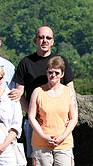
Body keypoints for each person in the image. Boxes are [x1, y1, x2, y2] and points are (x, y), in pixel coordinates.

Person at [12, 26, 75, 162]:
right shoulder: (26, 63)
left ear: (53, 41)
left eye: (48, 38)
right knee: (34, 158)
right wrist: (32, 115)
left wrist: (71, 115)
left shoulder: (60, 62)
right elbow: (20, 94)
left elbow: (71, 90)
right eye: (41, 37)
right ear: (35, 40)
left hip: (59, 121)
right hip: (34, 122)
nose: (44, 41)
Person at [28, 56, 78, 166]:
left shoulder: (68, 92)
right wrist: (43, 135)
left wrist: (63, 136)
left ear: (62, 74)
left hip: (64, 143)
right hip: (41, 143)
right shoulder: (38, 92)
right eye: (50, 72)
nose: (53, 76)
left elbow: (74, 118)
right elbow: (31, 116)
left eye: (56, 73)